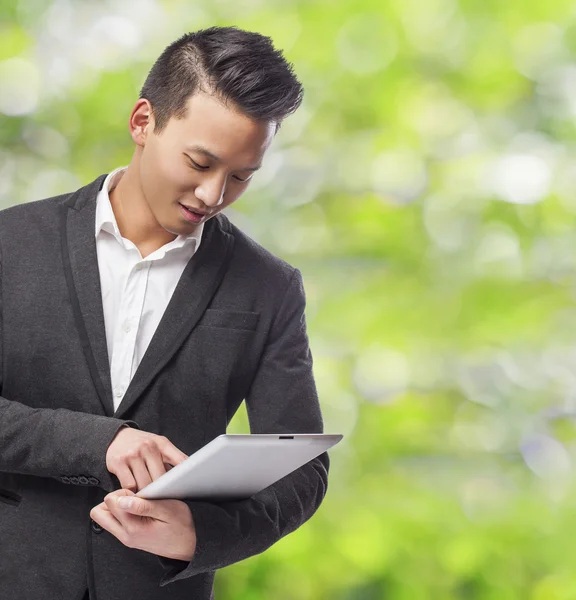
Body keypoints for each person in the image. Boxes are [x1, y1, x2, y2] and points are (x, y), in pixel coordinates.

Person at [0, 26, 330, 600]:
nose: (212, 194)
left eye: (240, 176)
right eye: (200, 161)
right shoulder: (10, 243)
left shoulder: (270, 288)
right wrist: (96, 442)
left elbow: (300, 468)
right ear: (143, 122)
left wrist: (201, 536)